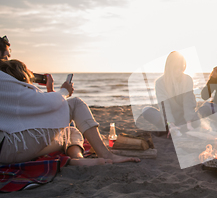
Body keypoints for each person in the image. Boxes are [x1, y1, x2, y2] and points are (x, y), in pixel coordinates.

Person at [0, 59, 140, 165]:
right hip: (12, 148)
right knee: (75, 104)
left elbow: (40, 111)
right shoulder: (8, 86)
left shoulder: (11, 96)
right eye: (6, 54)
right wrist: (64, 91)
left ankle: (77, 159)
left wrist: (51, 92)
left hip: (11, 149)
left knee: (71, 131)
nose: (7, 56)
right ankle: (105, 155)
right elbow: (45, 104)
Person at [141, 51, 200, 136]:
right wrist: (171, 123)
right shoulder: (160, 82)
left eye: (181, 67)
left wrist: (189, 122)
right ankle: (172, 128)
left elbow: (188, 102)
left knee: (199, 118)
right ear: (169, 66)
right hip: (167, 119)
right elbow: (164, 106)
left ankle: (174, 129)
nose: (178, 70)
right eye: (175, 67)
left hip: (184, 118)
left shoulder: (187, 79)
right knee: (146, 111)